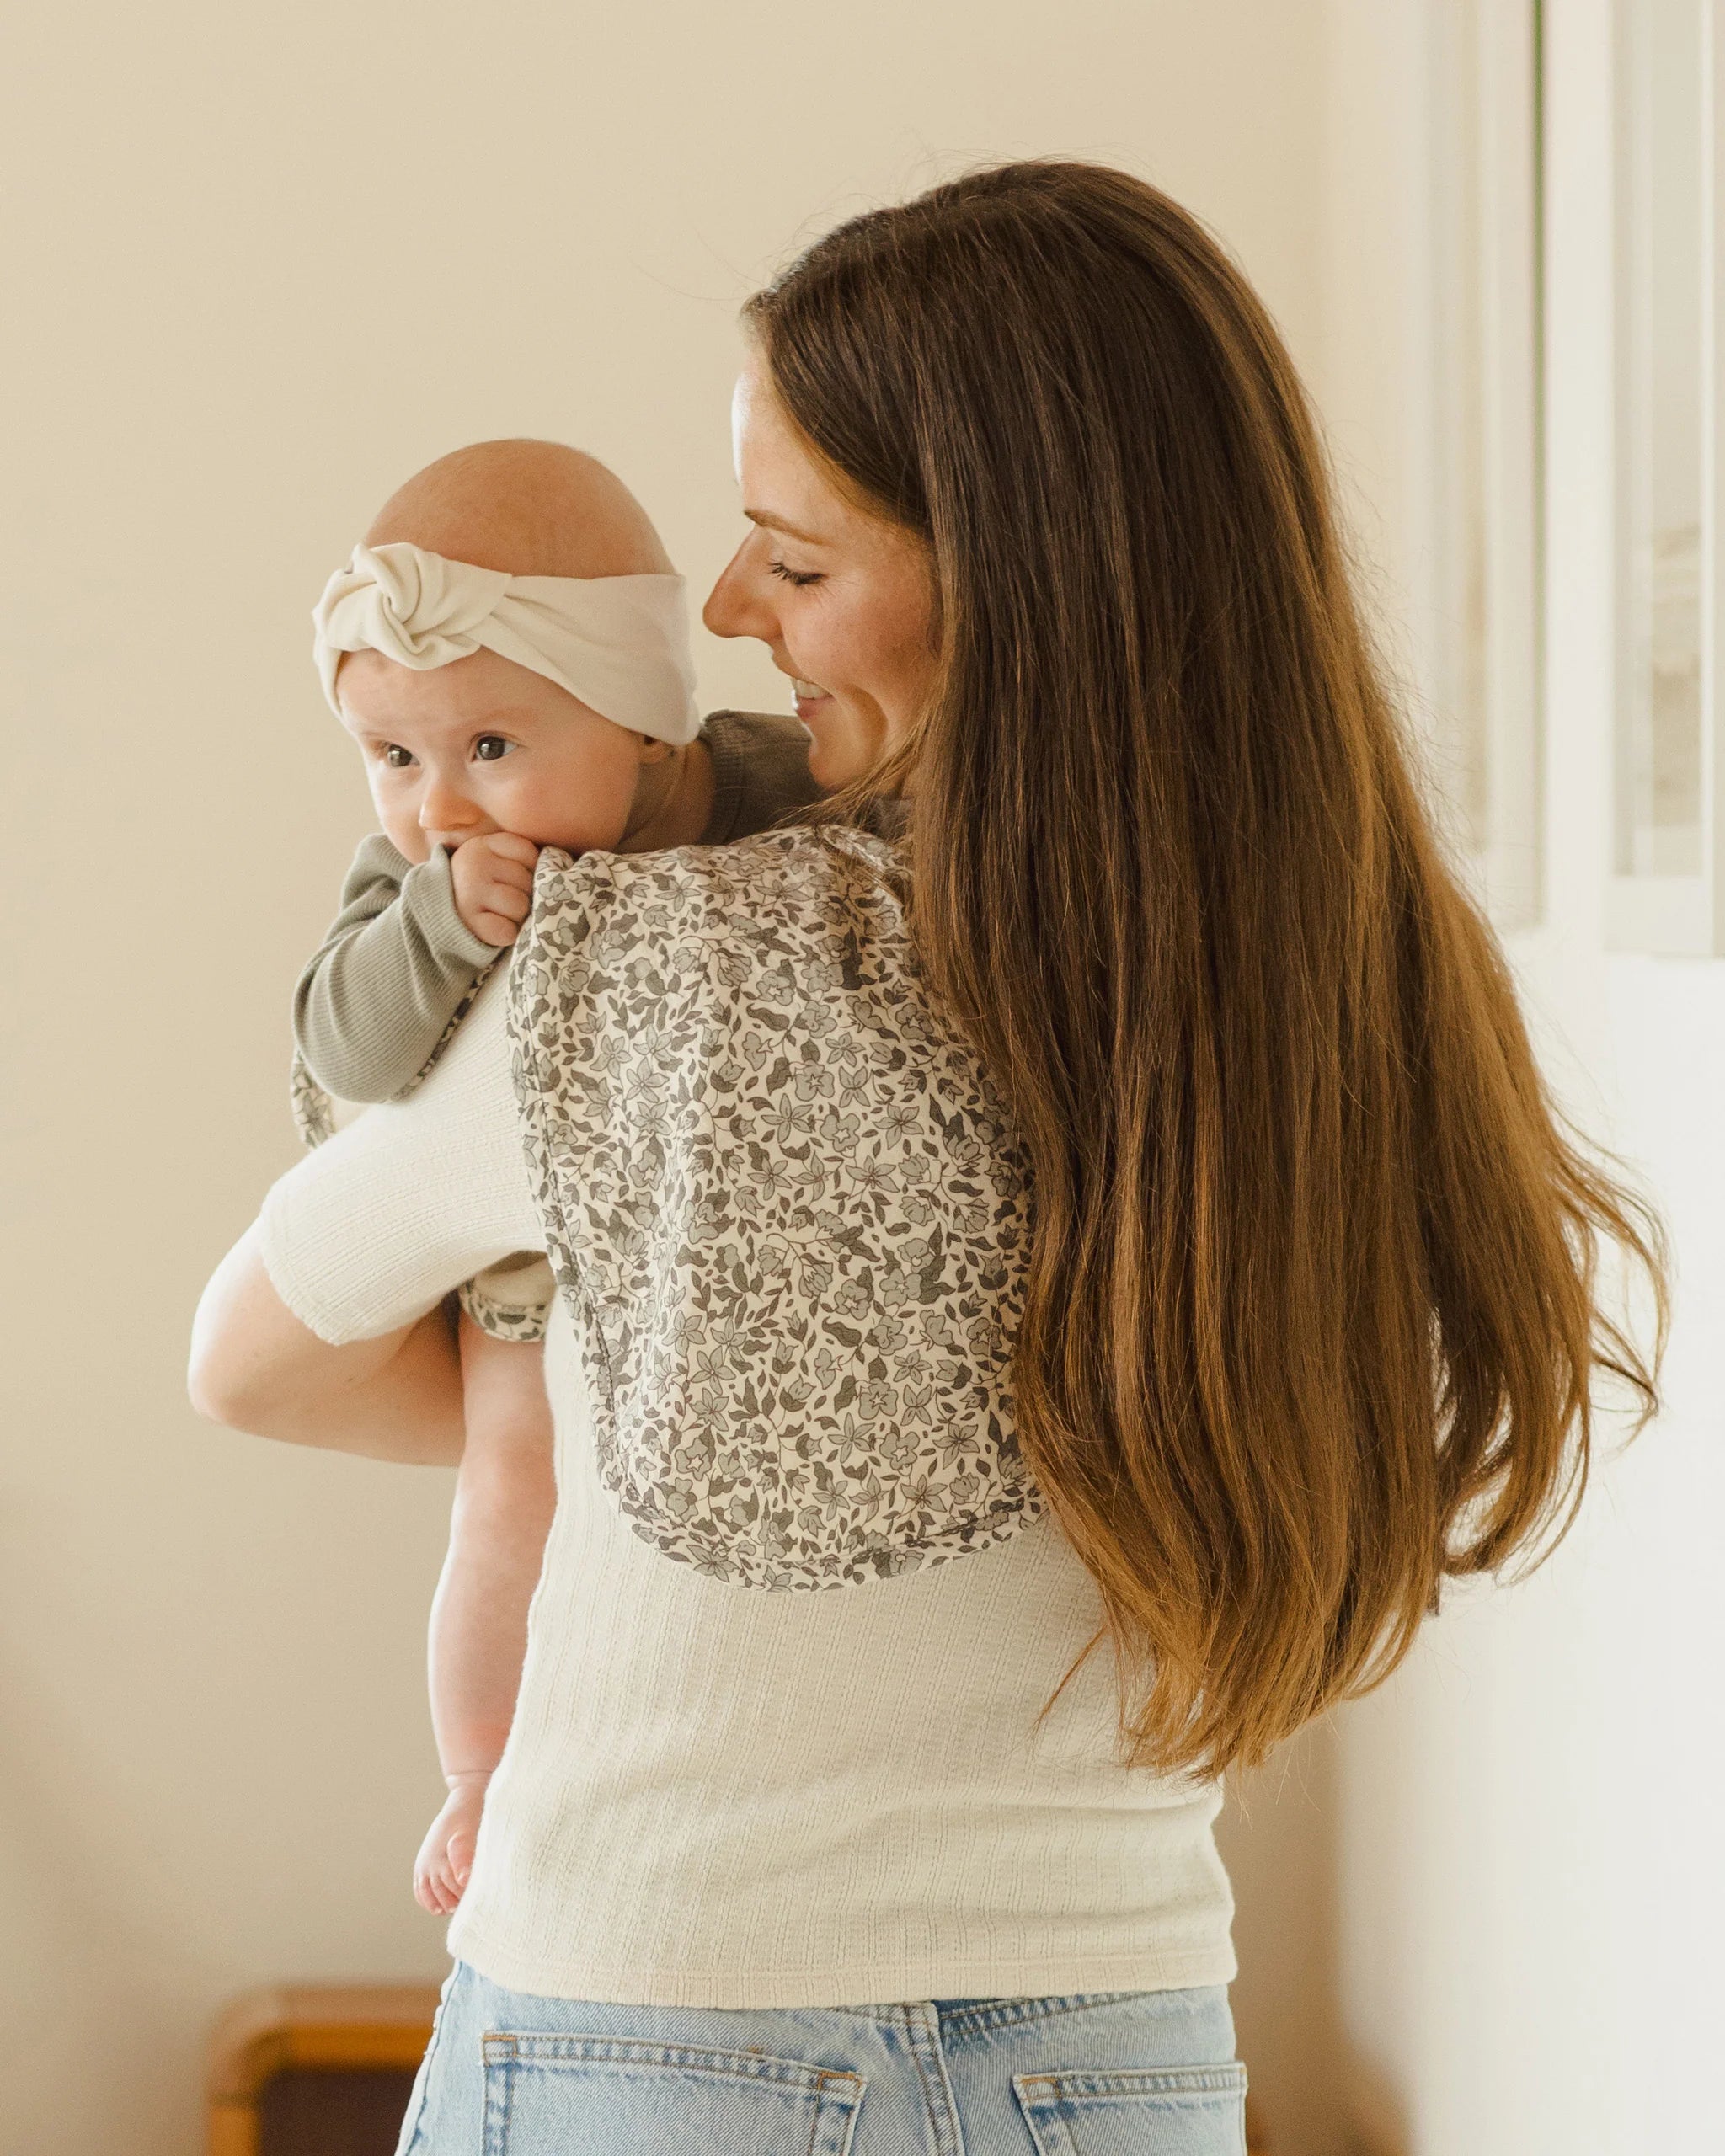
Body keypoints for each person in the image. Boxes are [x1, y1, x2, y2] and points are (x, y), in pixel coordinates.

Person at [190, 162, 1662, 2156]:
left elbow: (252, 1355)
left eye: (789, 564)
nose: (722, 610)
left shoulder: (668, 971)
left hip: (662, 2027)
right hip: (1123, 2045)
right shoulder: (1342, 979)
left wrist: (658, 1342)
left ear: (1010, 578)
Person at [289, 438, 821, 1917]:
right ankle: (479, 1771)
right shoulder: (408, 883)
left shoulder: (767, 792)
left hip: (713, 1254)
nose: (438, 804)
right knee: (511, 1501)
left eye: (490, 750)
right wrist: (440, 932)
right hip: (530, 1289)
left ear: (644, 717)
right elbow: (344, 1044)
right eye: (393, 757)